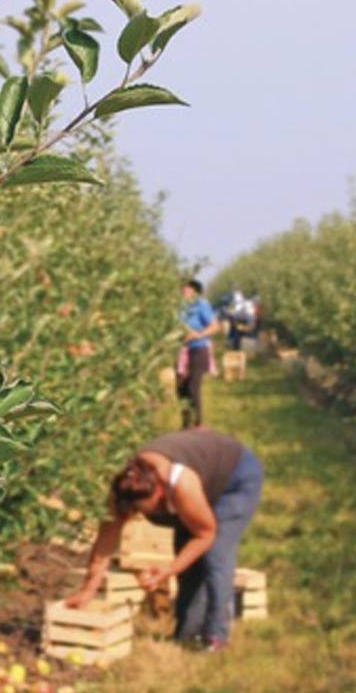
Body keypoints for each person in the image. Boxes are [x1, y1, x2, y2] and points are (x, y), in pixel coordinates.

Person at [66, 428, 264, 651]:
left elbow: (205, 535)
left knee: (216, 554)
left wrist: (168, 570)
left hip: (236, 476)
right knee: (185, 555)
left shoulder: (182, 485)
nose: (143, 515)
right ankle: (187, 635)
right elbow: (105, 543)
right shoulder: (125, 487)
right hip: (202, 475)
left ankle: (216, 635)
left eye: (151, 509)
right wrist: (88, 589)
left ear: (160, 490)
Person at [175, 279, 221, 426]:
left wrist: (198, 334)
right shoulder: (178, 306)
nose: (184, 290)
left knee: (193, 387)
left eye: (187, 288)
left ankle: (197, 425)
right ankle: (185, 425)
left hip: (199, 349)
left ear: (194, 290)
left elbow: (215, 326)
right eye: (182, 287)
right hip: (181, 350)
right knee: (181, 389)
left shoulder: (201, 304)